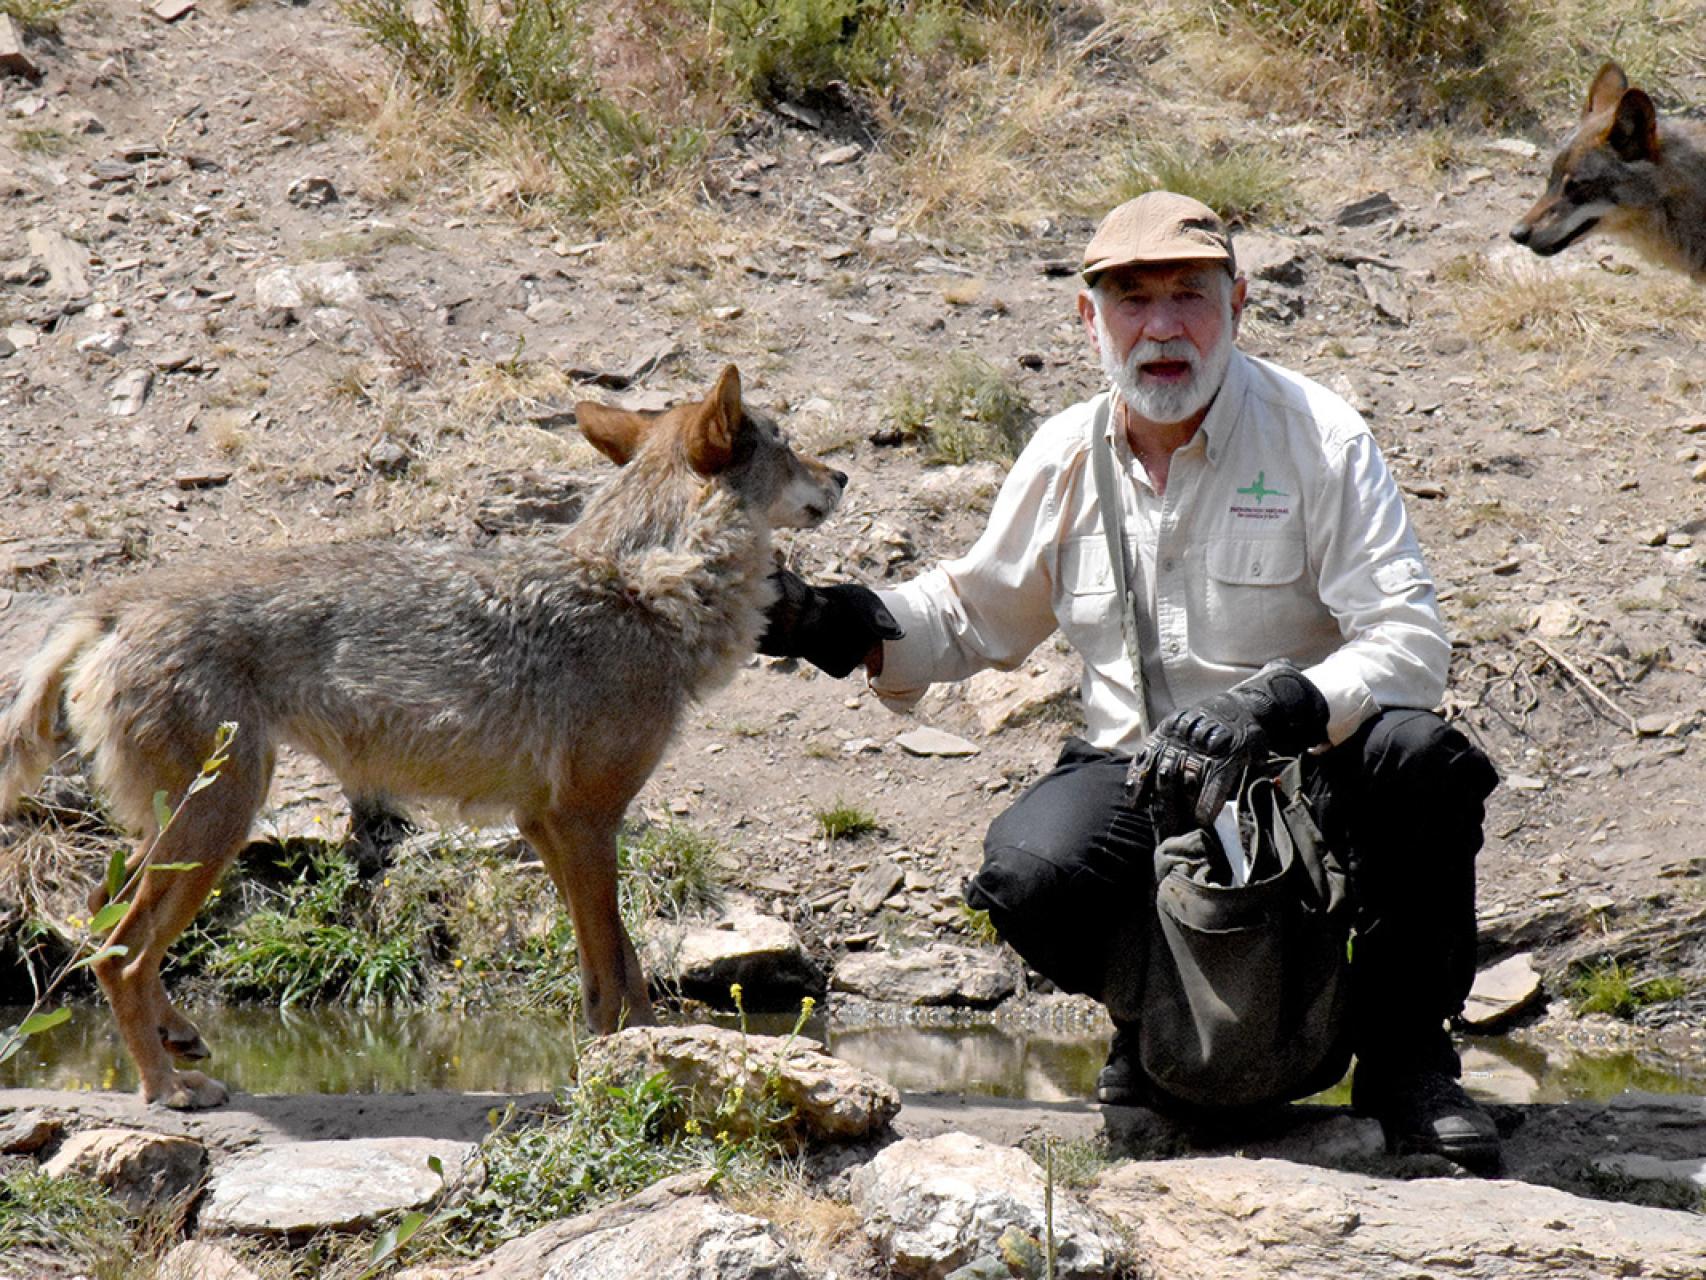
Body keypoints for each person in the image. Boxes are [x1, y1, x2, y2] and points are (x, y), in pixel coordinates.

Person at [758, 191, 1502, 1170]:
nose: (1160, 328)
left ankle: (1405, 1059)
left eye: (1186, 296)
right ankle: (1150, 1017)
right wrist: (835, 621)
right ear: (1087, 317)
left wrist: (1280, 704)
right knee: (1029, 867)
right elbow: (973, 612)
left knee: (1424, 759)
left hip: (1308, 777)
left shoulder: (1320, 439)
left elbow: (1408, 642)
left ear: (1237, 303)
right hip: (1140, 774)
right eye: (1131, 299)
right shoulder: (1064, 453)